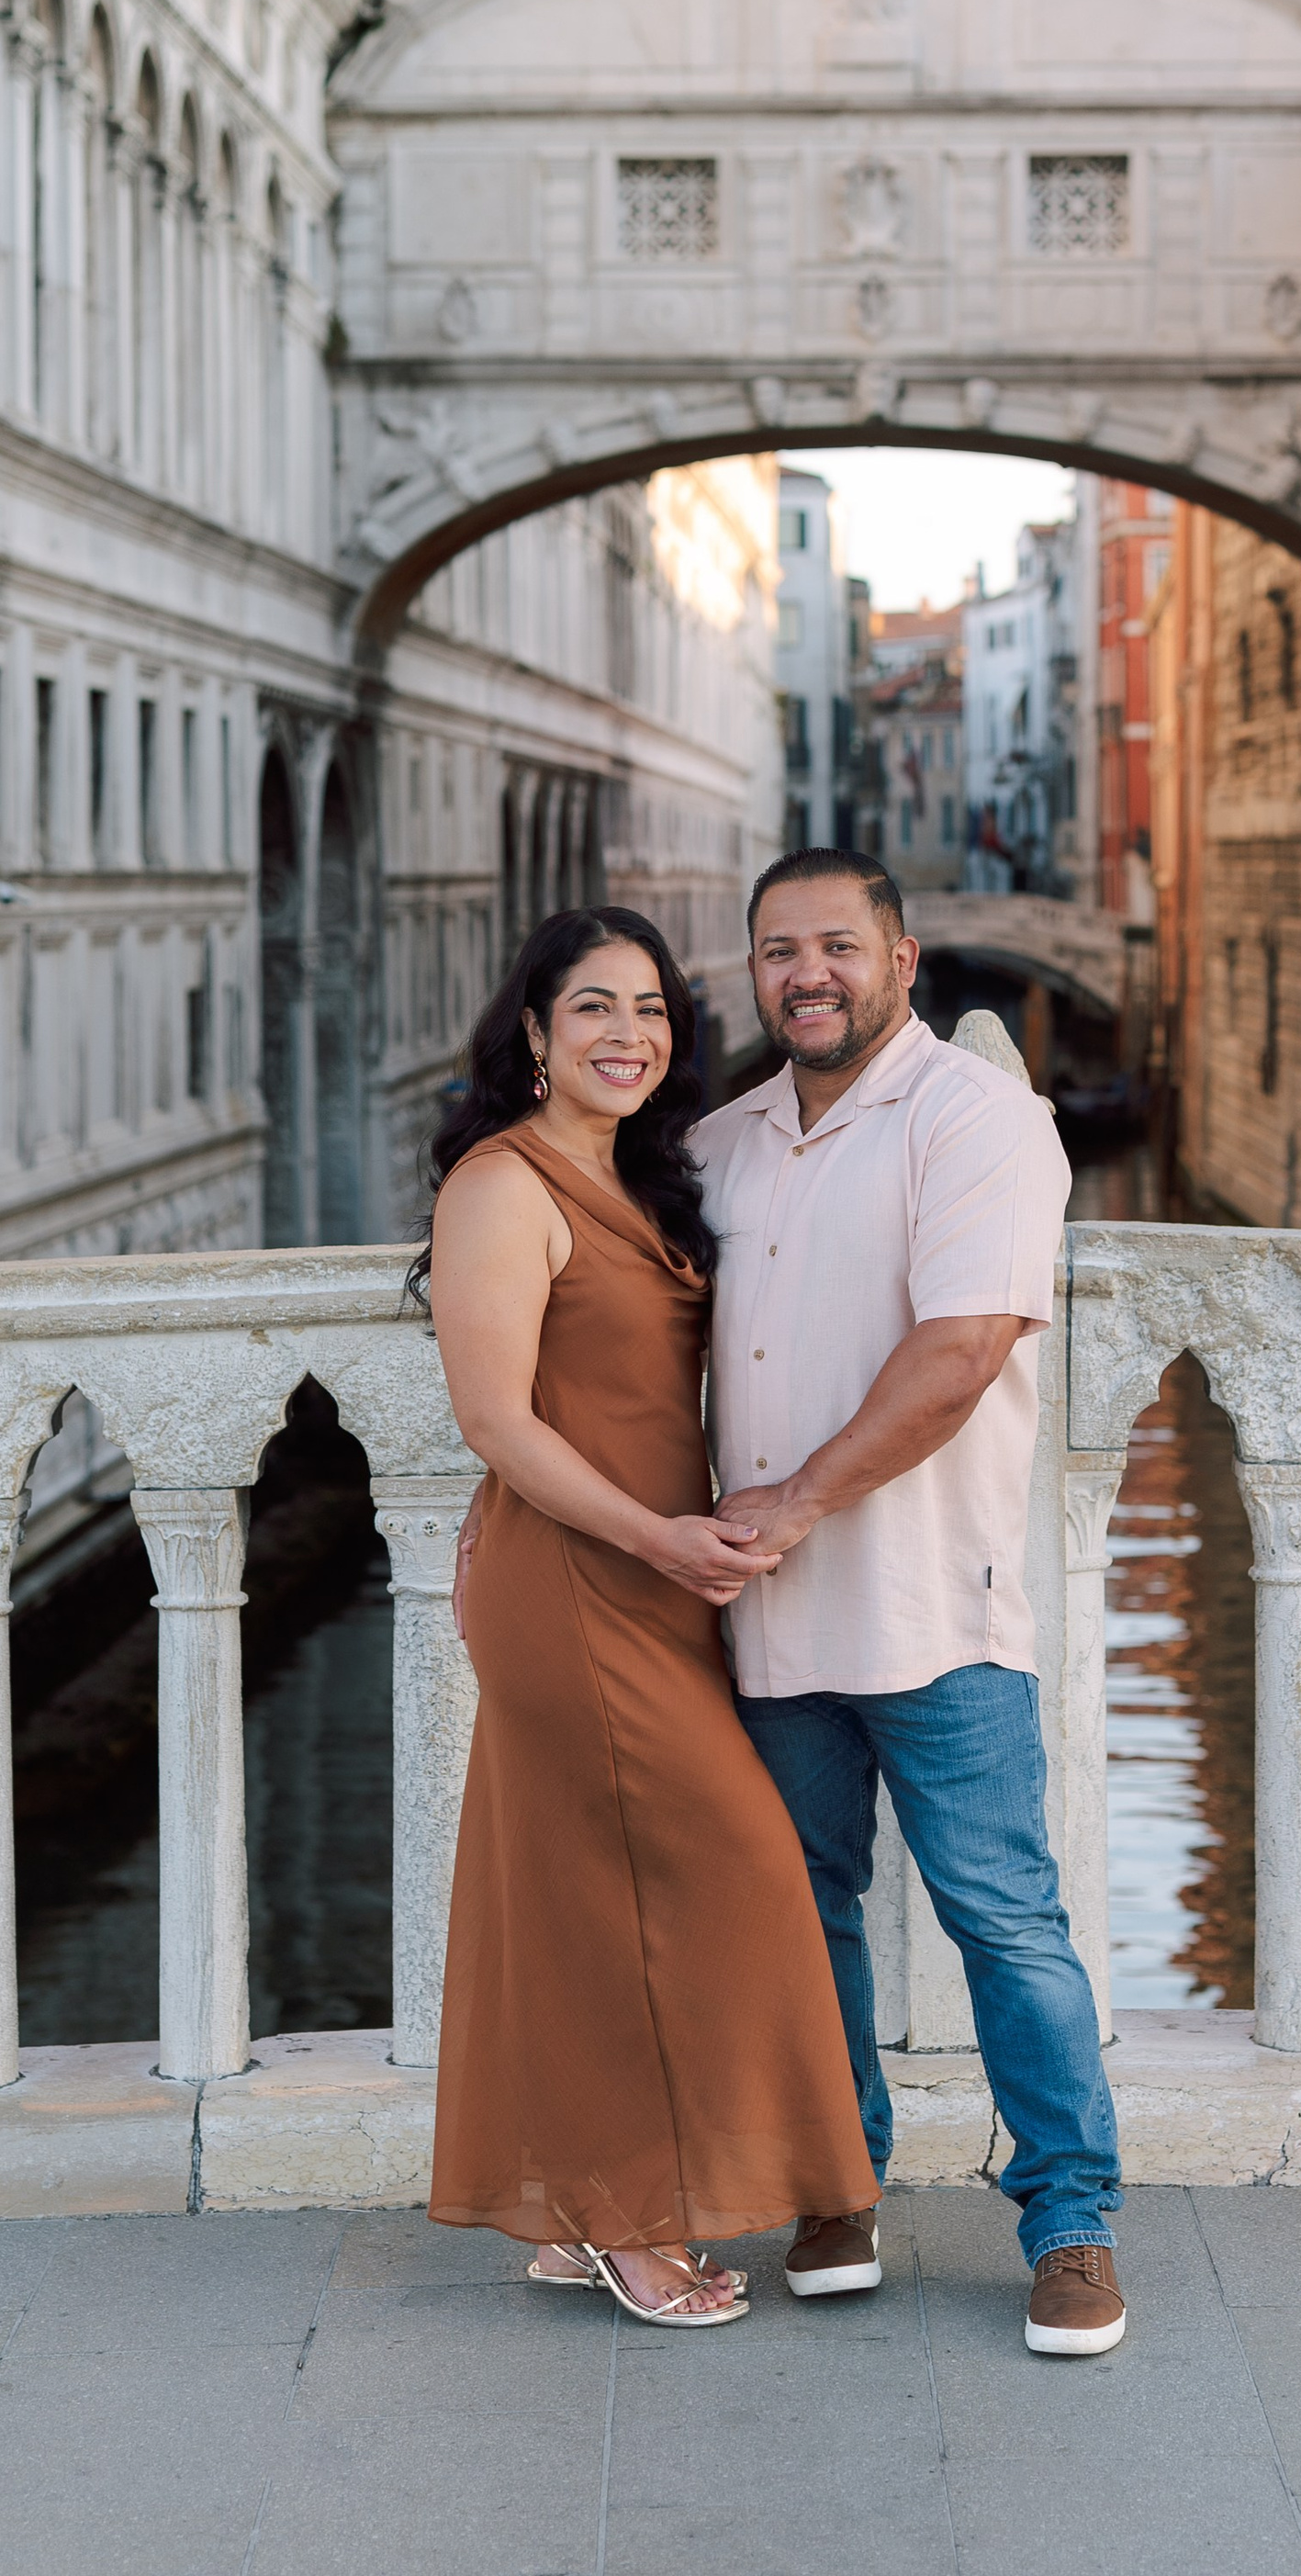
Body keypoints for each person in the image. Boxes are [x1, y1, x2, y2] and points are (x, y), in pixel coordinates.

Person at [692, 849, 1128, 2360]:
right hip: (763, 1619)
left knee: (1005, 1919)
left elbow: (960, 1352)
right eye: (775, 951)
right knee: (801, 1916)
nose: (804, 973)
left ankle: (1071, 2217)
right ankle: (838, 2181)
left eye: (834, 945)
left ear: (903, 957)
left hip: (938, 1605)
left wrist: (797, 1502)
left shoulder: (983, 1119)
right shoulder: (723, 1141)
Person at [422, 906, 878, 2326]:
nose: (631, 1036)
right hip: (584, 1575)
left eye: (655, 1013)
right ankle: (631, 2219)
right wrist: (659, 1545)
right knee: (735, 1863)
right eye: (595, 1011)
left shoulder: (639, 1177)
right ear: (536, 1040)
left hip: (654, 1573)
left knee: (578, 1895)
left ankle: (575, 2207)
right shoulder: (504, 1186)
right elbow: (494, 1414)